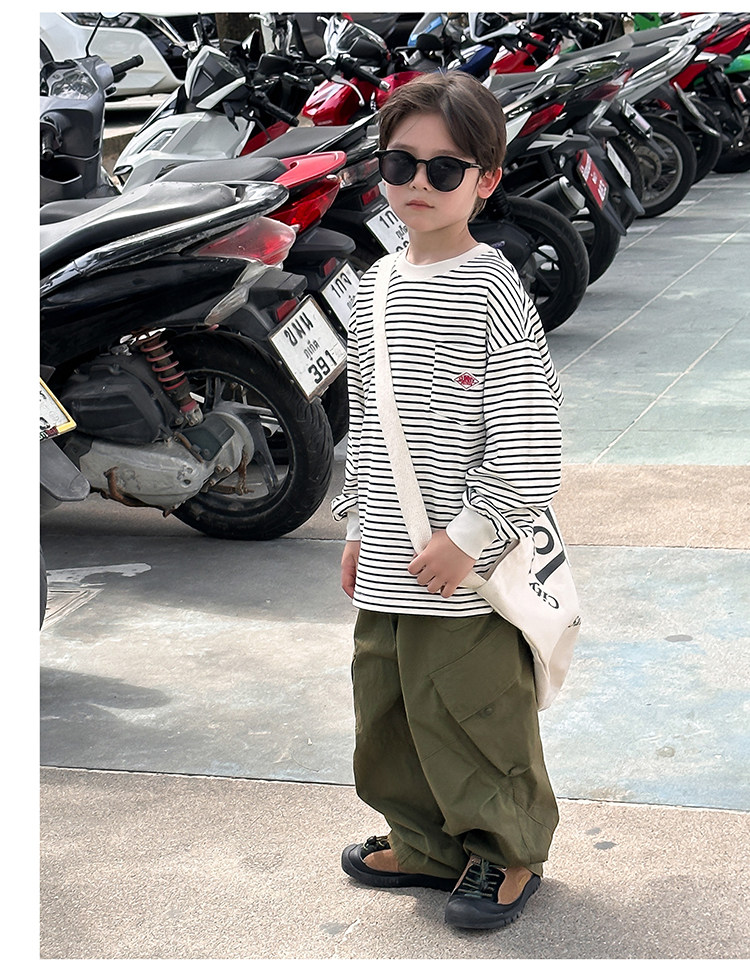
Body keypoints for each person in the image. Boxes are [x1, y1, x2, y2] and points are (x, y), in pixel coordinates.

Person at [330, 71, 564, 931]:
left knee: (473, 712)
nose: (418, 184)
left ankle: (507, 851)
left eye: (445, 169)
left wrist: (472, 533)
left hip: (464, 567)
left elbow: (531, 433)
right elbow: (367, 419)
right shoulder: (373, 286)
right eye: (401, 163)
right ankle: (424, 842)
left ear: (487, 180)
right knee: (387, 707)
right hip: (391, 558)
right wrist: (357, 524)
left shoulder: (492, 288)